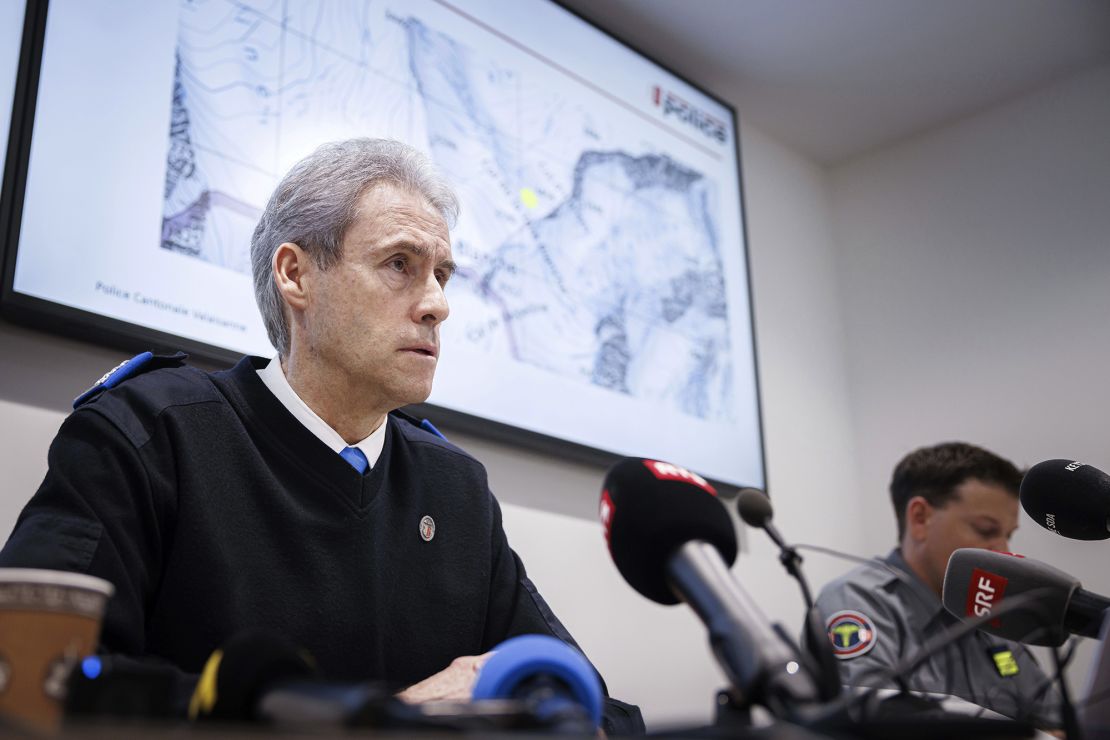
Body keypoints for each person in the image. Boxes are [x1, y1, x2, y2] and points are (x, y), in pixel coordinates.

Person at [0, 138, 642, 733]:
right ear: (296, 275)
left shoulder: (455, 487)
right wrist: (384, 723)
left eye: (442, 275)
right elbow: (28, 685)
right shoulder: (147, 434)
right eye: (399, 264)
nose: (437, 304)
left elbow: (595, 708)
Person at [814, 441, 1062, 730]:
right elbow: (868, 725)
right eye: (986, 530)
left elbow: (1058, 723)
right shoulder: (857, 601)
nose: (1004, 551)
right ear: (920, 518)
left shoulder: (990, 609)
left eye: (1008, 535)